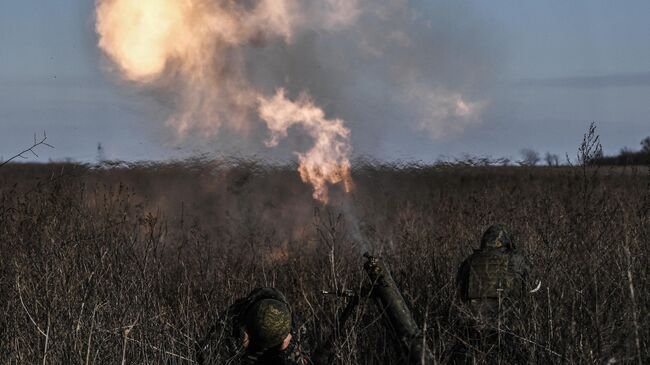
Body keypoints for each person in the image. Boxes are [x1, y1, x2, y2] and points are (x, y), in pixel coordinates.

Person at [451, 224, 529, 364]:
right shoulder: (517, 259)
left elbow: (459, 290)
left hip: (474, 319)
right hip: (507, 318)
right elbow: (529, 289)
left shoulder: (470, 261)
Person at [197, 287, 311, 365]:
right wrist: (237, 350)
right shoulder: (231, 321)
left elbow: (305, 360)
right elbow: (207, 359)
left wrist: (286, 352)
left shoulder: (293, 327)